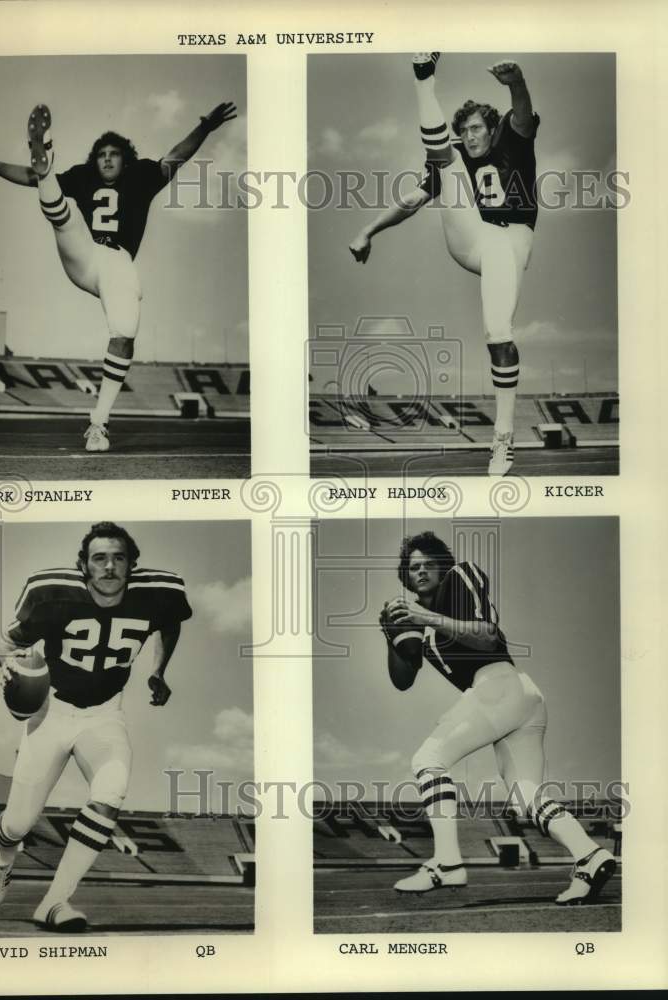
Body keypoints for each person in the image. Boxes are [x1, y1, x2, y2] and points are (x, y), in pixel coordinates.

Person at [0, 100, 237, 452]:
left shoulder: (142, 177)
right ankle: (47, 165)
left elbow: (177, 155)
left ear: (126, 159)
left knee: (125, 337)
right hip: (86, 254)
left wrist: (205, 127)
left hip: (117, 266)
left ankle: (98, 426)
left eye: (114, 154)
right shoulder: (83, 177)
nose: (106, 159)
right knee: (63, 214)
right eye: (101, 153)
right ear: (95, 158)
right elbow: (26, 175)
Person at [379, 531, 616, 905]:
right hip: (513, 702)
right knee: (525, 797)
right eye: (413, 567)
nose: (421, 571)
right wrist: (391, 636)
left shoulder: (461, 577)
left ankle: (446, 863)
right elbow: (403, 680)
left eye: (429, 564)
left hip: (501, 683)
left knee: (428, 760)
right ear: (405, 577)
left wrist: (425, 615)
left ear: (443, 566)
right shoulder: (422, 627)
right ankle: (590, 855)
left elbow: (488, 637)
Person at [0, 522, 192, 931]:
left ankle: (54, 902)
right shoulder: (52, 595)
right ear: (83, 565)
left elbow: (170, 623)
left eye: (119, 558)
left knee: (110, 791)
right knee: (17, 823)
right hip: (52, 712)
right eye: (99, 558)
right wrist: (9, 666)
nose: (110, 566)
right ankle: (4, 859)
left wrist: (158, 671)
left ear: (132, 565)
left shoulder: (159, 594)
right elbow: (4, 643)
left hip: (104, 714)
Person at [350, 54, 540, 475]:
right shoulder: (456, 156)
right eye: (464, 130)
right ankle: (423, 80)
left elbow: (523, 114)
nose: (470, 136)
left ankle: (503, 439)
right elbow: (413, 201)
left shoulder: (513, 139)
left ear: (492, 128)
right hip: (469, 240)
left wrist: (517, 83)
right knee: (446, 166)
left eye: (475, 129)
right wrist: (369, 230)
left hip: (510, 242)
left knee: (498, 333)